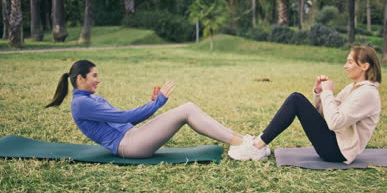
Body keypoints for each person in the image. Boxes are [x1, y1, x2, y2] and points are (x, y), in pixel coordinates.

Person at [46, 60, 252, 159]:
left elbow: (125, 121)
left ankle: (242, 140)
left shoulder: (91, 98)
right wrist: (157, 103)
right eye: (94, 76)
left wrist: (152, 104)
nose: (98, 80)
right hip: (129, 146)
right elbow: (125, 117)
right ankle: (243, 145)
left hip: (133, 136)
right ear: (80, 79)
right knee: (187, 110)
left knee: (188, 108)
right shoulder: (81, 104)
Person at [228, 46, 381, 163]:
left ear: (364, 66)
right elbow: (326, 115)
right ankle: (258, 144)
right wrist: (319, 91)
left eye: (350, 62)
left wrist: (327, 93)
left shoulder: (368, 93)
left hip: (338, 151)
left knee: (296, 99)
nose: (345, 66)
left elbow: (334, 122)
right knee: (296, 99)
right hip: (334, 141)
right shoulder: (353, 87)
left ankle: (256, 146)